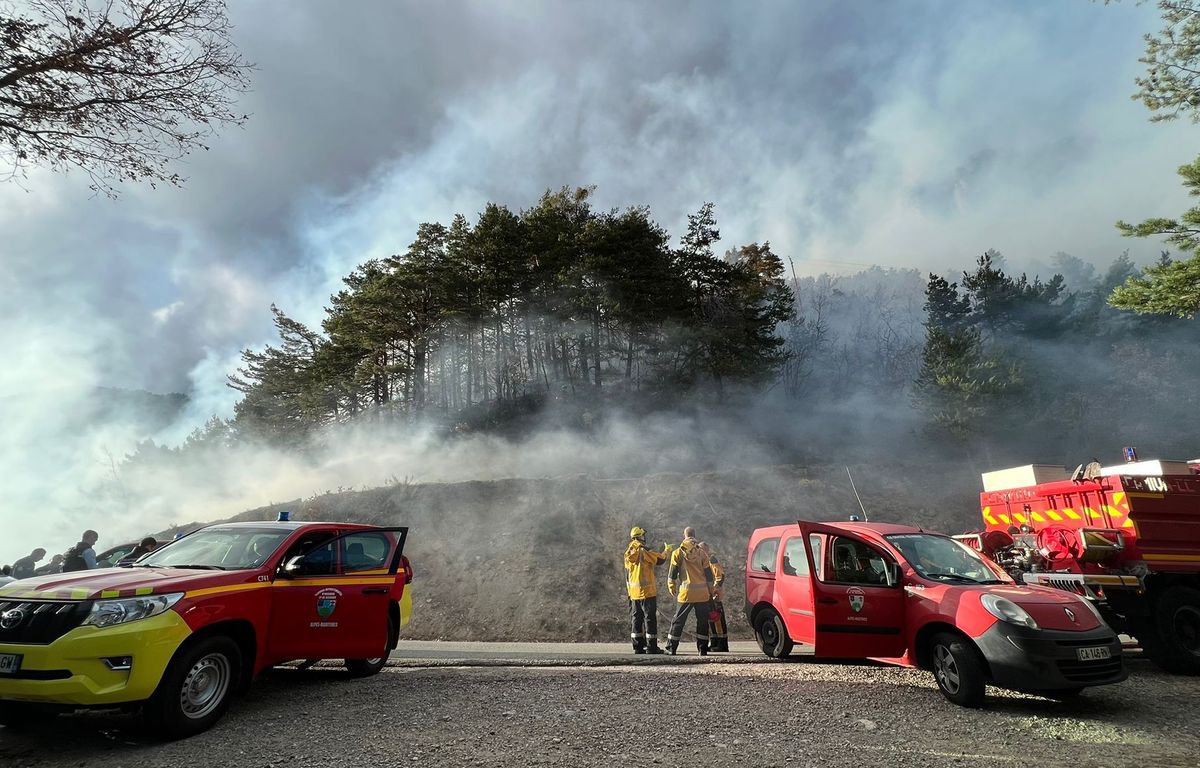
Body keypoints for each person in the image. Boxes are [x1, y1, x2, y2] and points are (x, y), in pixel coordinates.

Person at [666, 527, 715, 656]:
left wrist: (672, 586)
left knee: (678, 620)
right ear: (694, 535)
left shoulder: (677, 553)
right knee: (703, 622)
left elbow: (672, 574)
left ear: (684, 535)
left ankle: (672, 648)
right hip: (702, 594)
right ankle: (702, 649)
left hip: (686, 593)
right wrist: (711, 590)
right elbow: (709, 575)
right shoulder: (702, 553)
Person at [624, 526, 673, 654]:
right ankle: (651, 647)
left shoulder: (628, 552)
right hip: (647, 591)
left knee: (636, 618)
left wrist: (629, 592)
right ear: (640, 536)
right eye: (643, 535)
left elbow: (627, 574)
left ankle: (638, 646)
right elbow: (660, 560)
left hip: (634, 593)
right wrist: (667, 551)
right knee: (649, 618)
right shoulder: (644, 550)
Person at [699, 542, 728, 652]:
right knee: (712, 619)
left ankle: (722, 644)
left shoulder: (712, 559)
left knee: (718, 620)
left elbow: (720, 576)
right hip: (709, 594)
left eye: (701, 549)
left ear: (705, 549)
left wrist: (715, 590)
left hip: (715, 595)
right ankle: (715, 642)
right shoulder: (705, 561)